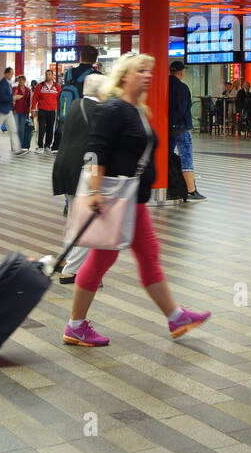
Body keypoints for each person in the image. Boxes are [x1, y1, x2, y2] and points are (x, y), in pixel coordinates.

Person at [61, 53, 211, 347]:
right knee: (103, 258)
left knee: (147, 253)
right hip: (116, 198)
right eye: (140, 70)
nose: (147, 75)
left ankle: (175, 317)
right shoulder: (114, 108)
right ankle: (76, 325)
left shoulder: (135, 109)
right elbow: (96, 149)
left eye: (148, 71)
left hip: (131, 199)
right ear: (124, 76)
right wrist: (94, 191)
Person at [52, 72, 106, 283]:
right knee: (85, 223)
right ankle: (73, 269)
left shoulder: (75, 105)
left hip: (65, 167)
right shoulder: (98, 111)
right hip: (82, 169)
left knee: (74, 219)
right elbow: (96, 147)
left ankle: (67, 261)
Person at [168, 60, 205, 200]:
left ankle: (170, 187)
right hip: (181, 128)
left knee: (168, 156)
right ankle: (190, 190)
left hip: (168, 128)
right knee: (186, 157)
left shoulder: (164, 85)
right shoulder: (182, 88)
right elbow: (183, 108)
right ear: (182, 72)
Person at [0, 66, 27, 157]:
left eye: (12, 74)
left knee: (13, 130)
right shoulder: (2, 84)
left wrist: (12, 100)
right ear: (6, 73)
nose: (12, 75)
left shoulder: (8, 83)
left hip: (8, 111)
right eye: (11, 73)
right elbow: (1, 98)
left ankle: (16, 149)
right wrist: (13, 98)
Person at [35, 69, 60, 153]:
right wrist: (33, 109)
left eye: (49, 74)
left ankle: (47, 146)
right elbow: (35, 98)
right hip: (42, 110)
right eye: (46, 74)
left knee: (50, 129)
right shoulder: (40, 86)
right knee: (41, 129)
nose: (47, 76)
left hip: (53, 111)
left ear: (52, 75)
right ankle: (40, 146)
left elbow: (60, 98)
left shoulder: (57, 86)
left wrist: (59, 111)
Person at [13, 77, 33, 151]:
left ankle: (20, 146)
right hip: (16, 111)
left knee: (21, 129)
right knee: (16, 129)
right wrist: (13, 109)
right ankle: (15, 145)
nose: (21, 81)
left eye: (22, 80)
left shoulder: (28, 90)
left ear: (25, 81)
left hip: (24, 111)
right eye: (20, 80)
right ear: (18, 81)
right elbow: (11, 99)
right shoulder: (15, 89)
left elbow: (29, 102)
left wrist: (29, 112)